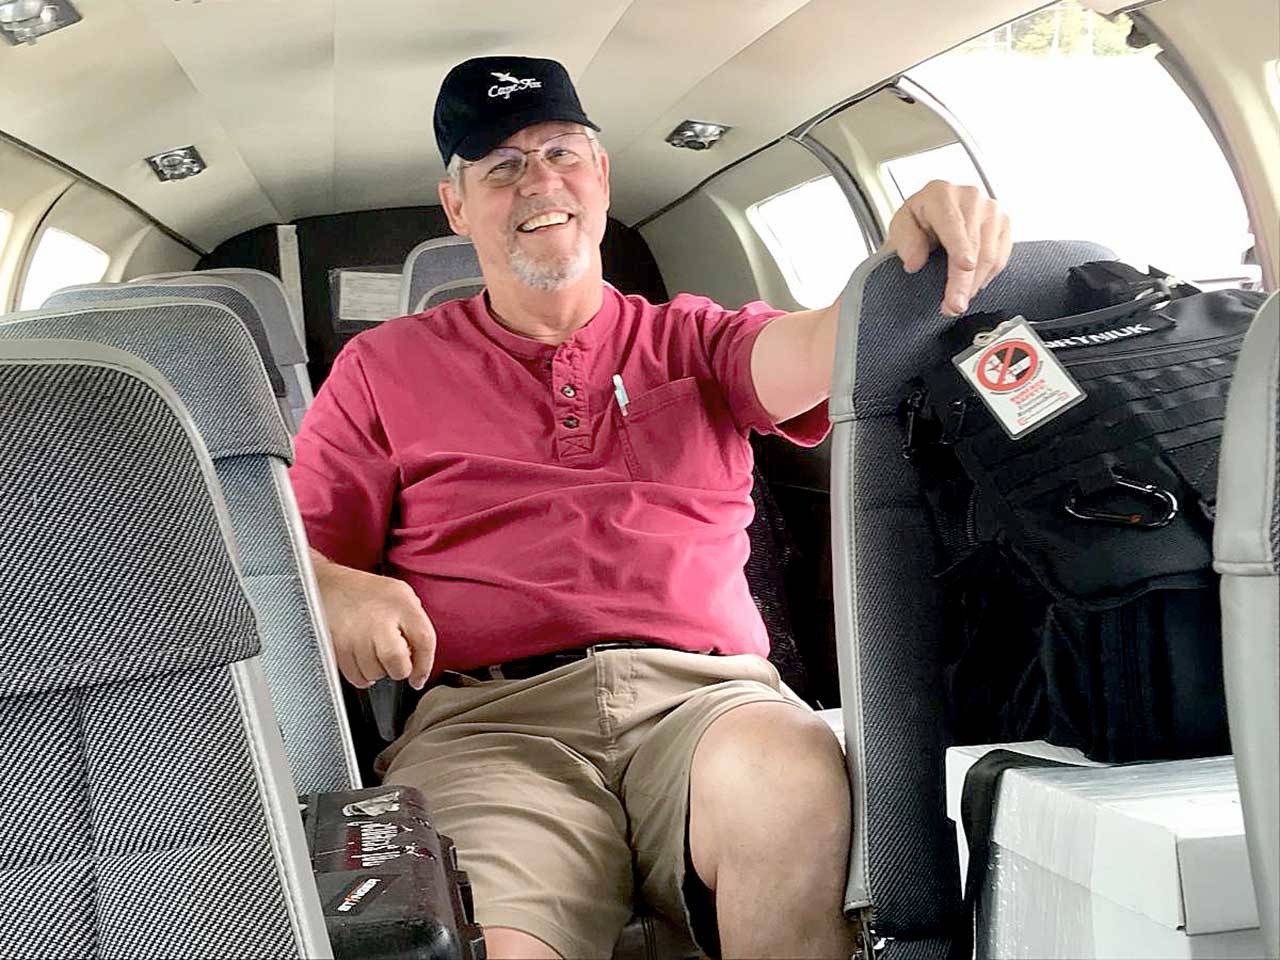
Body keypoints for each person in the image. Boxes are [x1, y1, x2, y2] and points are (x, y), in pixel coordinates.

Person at [292, 56, 1011, 960]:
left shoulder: (693, 336)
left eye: (562, 152)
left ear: (600, 175)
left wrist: (909, 259)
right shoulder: (381, 368)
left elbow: (831, 346)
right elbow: (291, 559)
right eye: (501, 166)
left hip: (709, 705)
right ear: (456, 206)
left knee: (791, 784)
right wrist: (337, 588)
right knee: (490, 942)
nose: (539, 182)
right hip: (490, 728)